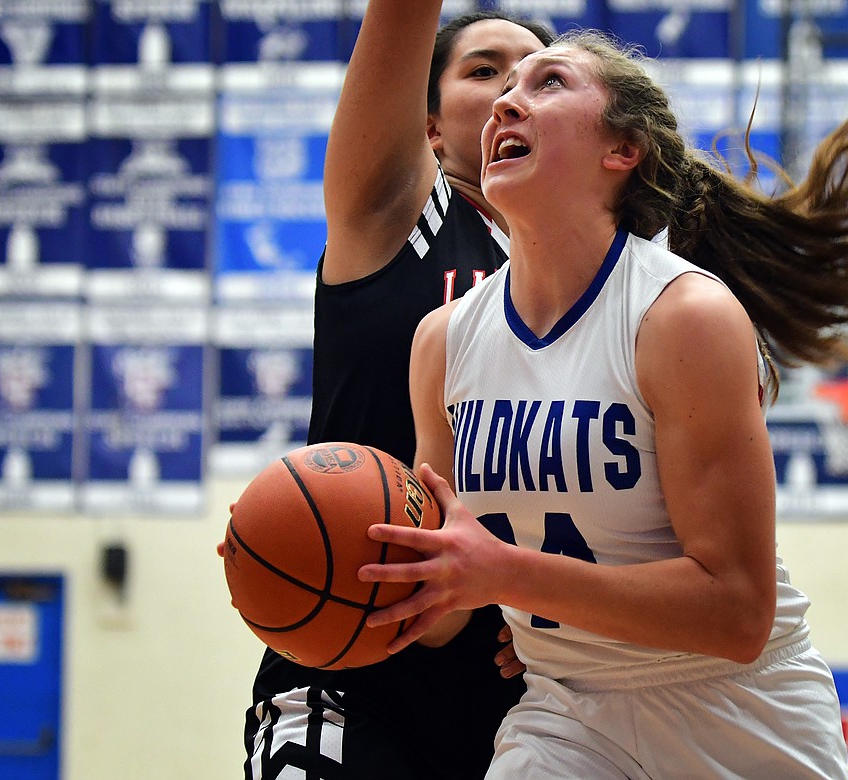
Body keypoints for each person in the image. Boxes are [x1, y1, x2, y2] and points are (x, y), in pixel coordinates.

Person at [359, 33, 848, 778]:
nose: (507, 100)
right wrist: (333, 563)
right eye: (502, 87)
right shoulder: (441, 343)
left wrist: (507, 575)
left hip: (737, 713)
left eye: (548, 82)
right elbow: (443, 613)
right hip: (566, 716)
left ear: (623, 150)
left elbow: (735, 613)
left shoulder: (682, 317)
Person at [240, 4, 555, 779]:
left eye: (543, 78)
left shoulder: (608, 283)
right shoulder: (400, 211)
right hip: (351, 668)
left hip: (529, 696)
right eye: (485, 71)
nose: (516, 92)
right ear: (430, 128)